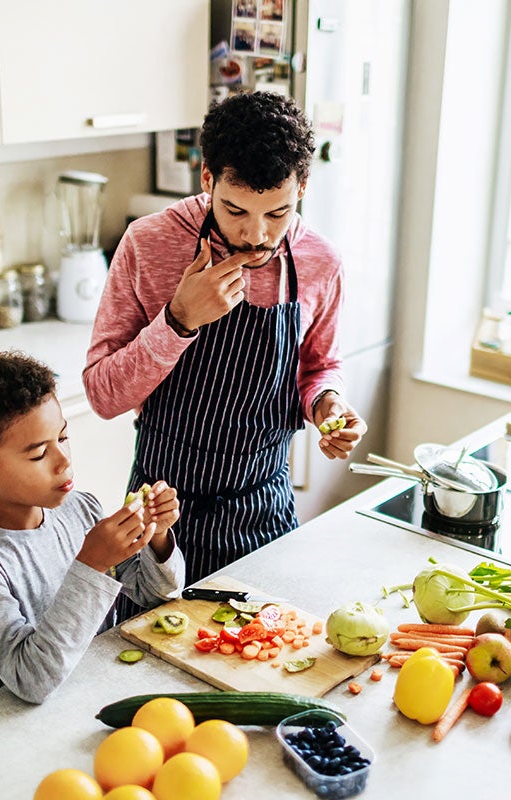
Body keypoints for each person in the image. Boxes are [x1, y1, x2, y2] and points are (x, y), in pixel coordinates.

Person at [83, 91, 366, 586]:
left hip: (265, 508)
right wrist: (178, 321)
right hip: (161, 515)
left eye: (277, 214)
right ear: (208, 179)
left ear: (302, 186)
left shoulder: (321, 261)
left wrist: (327, 405)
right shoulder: (149, 244)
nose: (256, 235)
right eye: (235, 211)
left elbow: (320, 366)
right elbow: (103, 396)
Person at [0, 350, 184, 707]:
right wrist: (90, 565)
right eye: (38, 454)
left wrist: (157, 537)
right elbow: (31, 680)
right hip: (6, 733)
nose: (64, 462)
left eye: (62, 438)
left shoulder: (80, 509)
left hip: (87, 702)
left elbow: (156, 596)